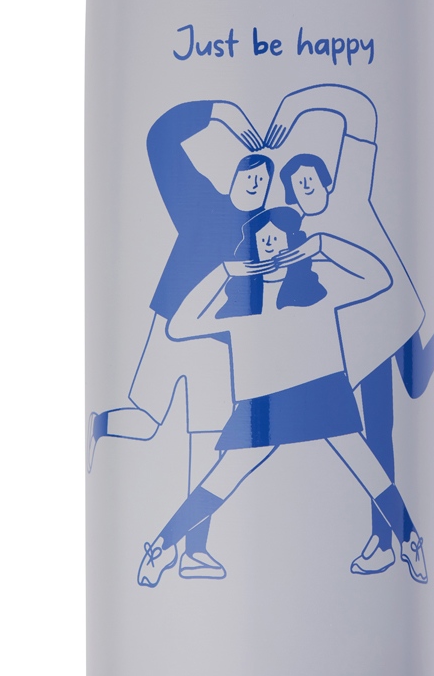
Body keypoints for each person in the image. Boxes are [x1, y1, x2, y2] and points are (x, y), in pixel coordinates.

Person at [135, 208, 428, 588]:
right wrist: (225, 272)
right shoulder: (238, 303)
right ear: (252, 248)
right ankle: (162, 547)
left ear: (293, 242)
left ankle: (410, 542)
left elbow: (379, 278)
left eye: (277, 238)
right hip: (261, 408)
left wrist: (321, 245)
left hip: (321, 394)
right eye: (262, 240)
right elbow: (178, 325)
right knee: (220, 481)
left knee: (369, 471)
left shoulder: (318, 290)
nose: (270, 245)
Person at [88, 100, 271, 580]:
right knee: (148, 422)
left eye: (263, 181)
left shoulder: (264, 242)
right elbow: (160, 140)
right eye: (249, 175)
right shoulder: (200, 205)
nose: (255, 183)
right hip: (170, 327)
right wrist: (221, 110)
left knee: (207, 444)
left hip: (218, 348)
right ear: (233, 179)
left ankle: (195, 551)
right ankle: (99, 425)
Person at [267, 84, 434, 575]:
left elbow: (360, 112)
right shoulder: (301, 237)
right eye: (297, 187)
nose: (306, 190)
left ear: (327, 179)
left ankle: (386, 539)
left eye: (310, 180)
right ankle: (384, 539)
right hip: (367, 339)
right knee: (378, 429)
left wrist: (293, 105)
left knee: (415, 389)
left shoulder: (353, 190)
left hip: (396, 312)